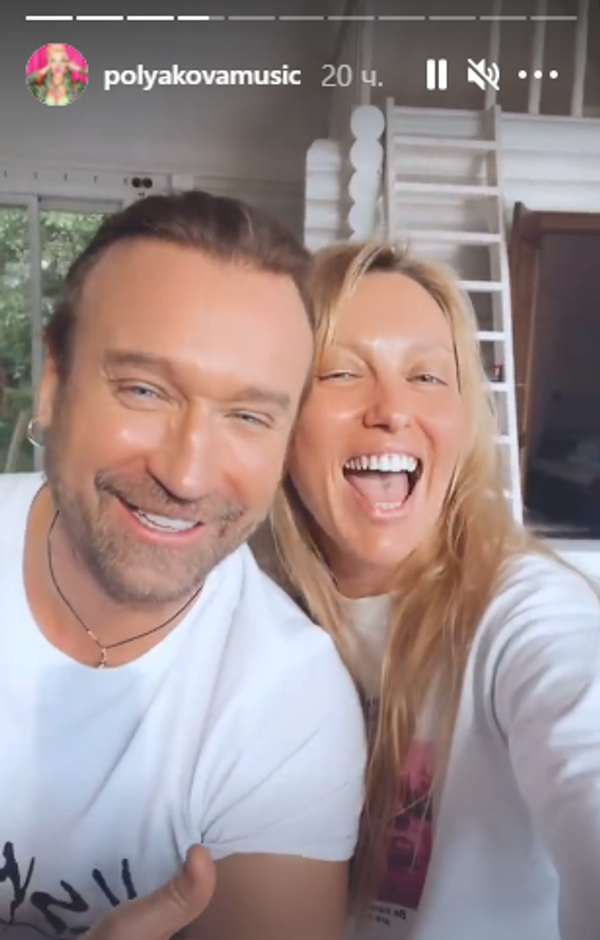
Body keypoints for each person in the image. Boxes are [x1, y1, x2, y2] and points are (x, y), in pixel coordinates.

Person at [0, 192, 366, 940]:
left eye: (249, 416)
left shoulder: (288, 703)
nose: (188, 475)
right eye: (144, 390)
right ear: (54, 381)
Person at [253, 241, 600, 940]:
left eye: (428, 377)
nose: (392, 409)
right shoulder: (243, 613)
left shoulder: (522, 612)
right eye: (341, 372)